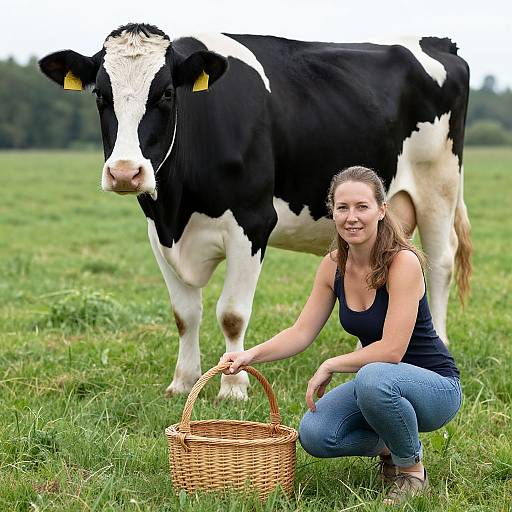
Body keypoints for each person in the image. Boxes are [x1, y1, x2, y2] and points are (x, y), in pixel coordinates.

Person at [219, 166, 462, 505]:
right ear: (331, 211)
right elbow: (301, 331)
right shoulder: (333, 264)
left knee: (373, 377)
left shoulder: (402, 262)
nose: (352, 217)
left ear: (381, 210)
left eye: (362, 207)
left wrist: (333, 363)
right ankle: (395, 443)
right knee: (316, 434)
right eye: (343, 207)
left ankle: (412, 472)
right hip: (380, 386)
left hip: (435, 387)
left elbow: (392, 351)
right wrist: (247, 355)